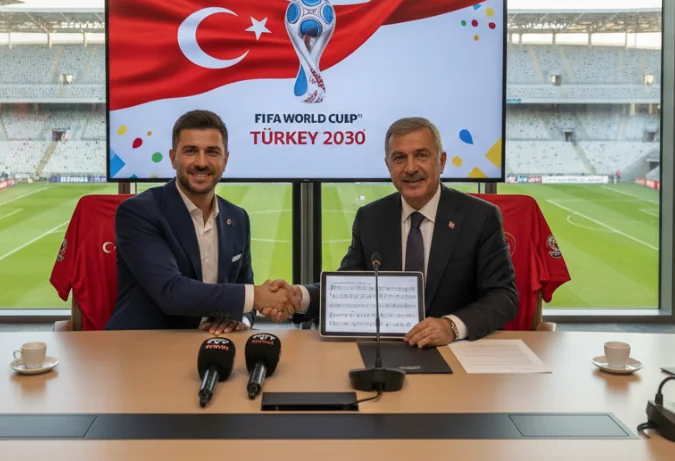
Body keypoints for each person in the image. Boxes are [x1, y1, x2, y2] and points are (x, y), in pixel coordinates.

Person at [266, 117, 518, 347]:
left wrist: (451, 326)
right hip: (386, 350)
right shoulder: (371, 218)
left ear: (441, 162)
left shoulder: (480, 217)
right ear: (388, 165)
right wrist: (299, 297)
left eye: (421, 155)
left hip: (455, 350)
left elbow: (503, 295)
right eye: (399, 158)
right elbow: (348, 288)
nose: (410, 168)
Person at [106, 110, 298, 332]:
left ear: (225, 160)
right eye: (190, 151)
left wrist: (242, 319)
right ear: (173, 158)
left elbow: (244, 295)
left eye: (212, 152)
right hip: (142, 344)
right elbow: (171, 292)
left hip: (213, 343)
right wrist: (257, 297)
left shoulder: (238, 218)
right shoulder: (138, 212)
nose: (201, 162)